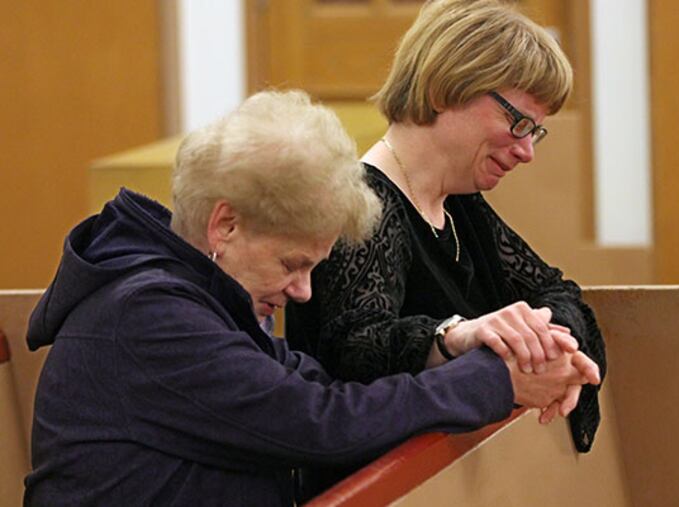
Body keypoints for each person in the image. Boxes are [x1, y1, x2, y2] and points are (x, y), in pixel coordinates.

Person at [24, 90, 600, 507]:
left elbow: (320, 386)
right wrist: (499, 380)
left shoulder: (198, 298)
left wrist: (458, 342)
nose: (301, 291)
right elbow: (319, 425)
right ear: (225, 225)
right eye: (292, 264)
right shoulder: (148, 315)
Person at [286, 0, 606, 467]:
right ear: (444, 90)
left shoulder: (459, 205)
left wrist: (544, 344)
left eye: (535, 132)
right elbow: (355, 351)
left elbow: (561, 295)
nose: (525, 151)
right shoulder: (362, 205)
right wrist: (458, 338)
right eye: (517, 122)